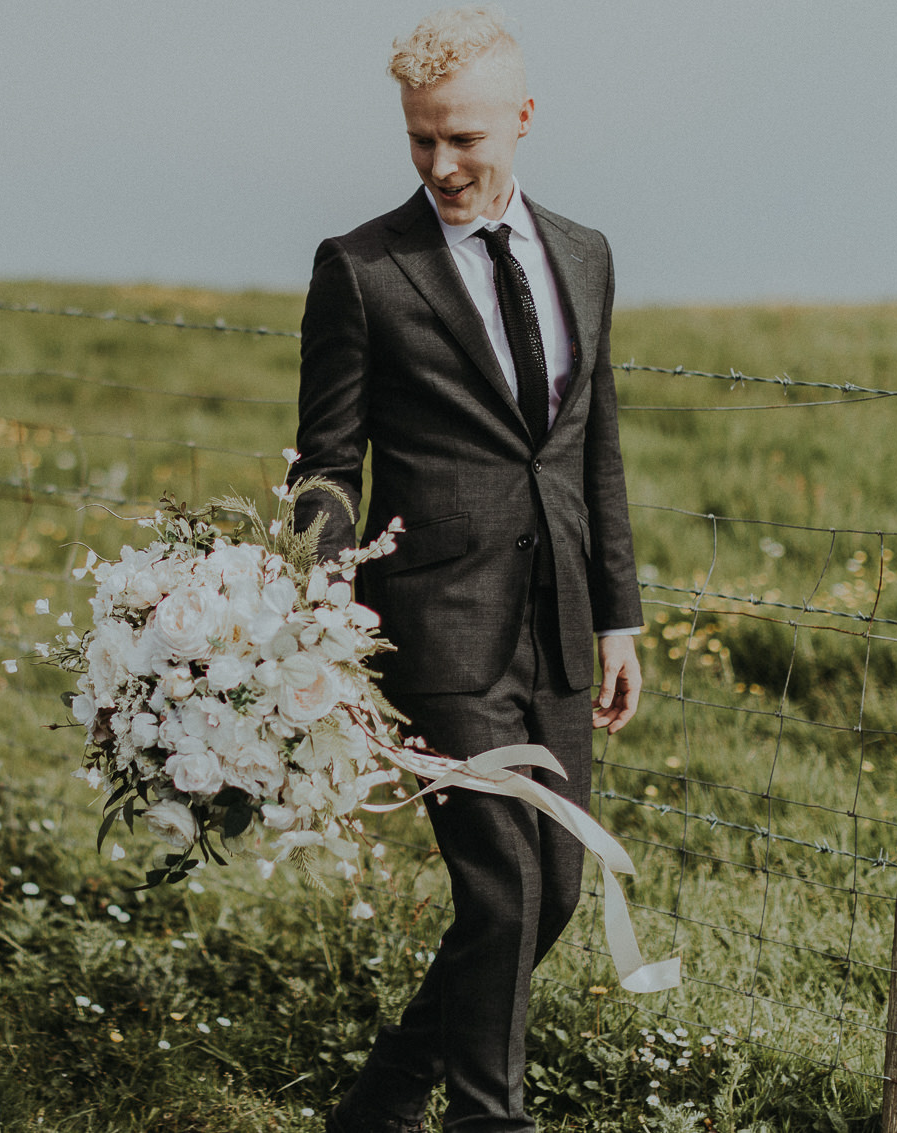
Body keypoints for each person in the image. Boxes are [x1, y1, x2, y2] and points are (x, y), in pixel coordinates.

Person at [287, 8, 644, 1132]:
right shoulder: (361, 268)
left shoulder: (584, 253)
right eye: (419, 138)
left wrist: (619, 618)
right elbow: (325, 464)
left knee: (559, 889)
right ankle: (488, 1118)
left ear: (523, 120)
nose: (440, 164)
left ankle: (386, 1094)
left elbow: (594, 446)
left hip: (557, 621)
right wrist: (323, 607)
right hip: (433, 624)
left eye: (464, 140)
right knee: (503, 881)